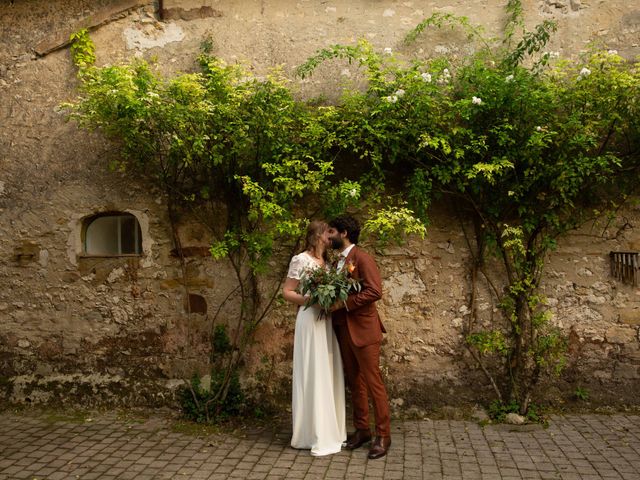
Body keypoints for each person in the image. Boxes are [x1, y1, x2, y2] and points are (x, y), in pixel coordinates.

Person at [328, 215, 391, 460]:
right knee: (354, 382)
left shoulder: (362, 258)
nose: (328, 236)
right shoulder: (337, 262)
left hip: (364, 329)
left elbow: (375, 291)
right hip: (343, 330)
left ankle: (383, 435)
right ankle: (362, 429)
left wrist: (343, 304)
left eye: (332, 232)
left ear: (344, 233)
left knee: (373, 382)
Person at [282, 220, 347, 456]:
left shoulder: (328, 263)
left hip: (326, 322)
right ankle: (310, 433)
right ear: (317, 236)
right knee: (313, 370)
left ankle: (331, 429)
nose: (331, 237)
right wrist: (312, 300)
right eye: (328, 233)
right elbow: (287, 292)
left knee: (328, 370)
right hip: (310, 320)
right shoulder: (301, 259)